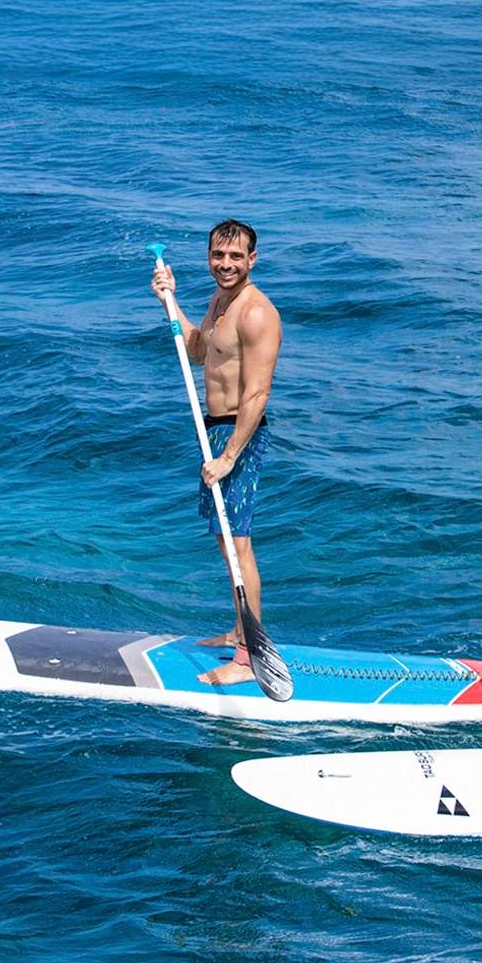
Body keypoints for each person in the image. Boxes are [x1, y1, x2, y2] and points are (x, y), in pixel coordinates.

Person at [151, 219, 282, 686]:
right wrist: (170, 301)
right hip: (216, 430)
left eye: (235, 257)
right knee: (226, 542)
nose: (225, 264)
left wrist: (230, 455)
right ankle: (237, 631)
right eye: (218, 256)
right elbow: (200, 352)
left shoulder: (255, 313)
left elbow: (257, 393)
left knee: (239, 543)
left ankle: (250, 658)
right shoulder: (220, 302)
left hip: (238, 434)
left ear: (252, 259)